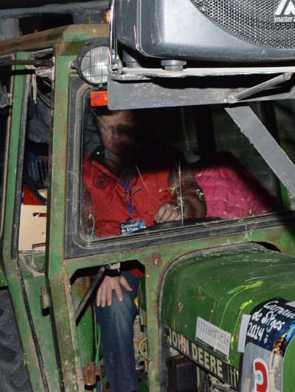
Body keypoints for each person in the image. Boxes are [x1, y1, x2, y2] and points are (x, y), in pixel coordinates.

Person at [81, 107, 205, 392]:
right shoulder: (86, 171)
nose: (115, 136)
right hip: (118, 266)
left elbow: (193, 195)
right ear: (97, 129)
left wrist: (179, 208)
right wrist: (105, 265)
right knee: (113, 303)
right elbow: (82, 228)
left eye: (123, 127)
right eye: (107, 129)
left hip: (167, 258)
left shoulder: (166, 159)